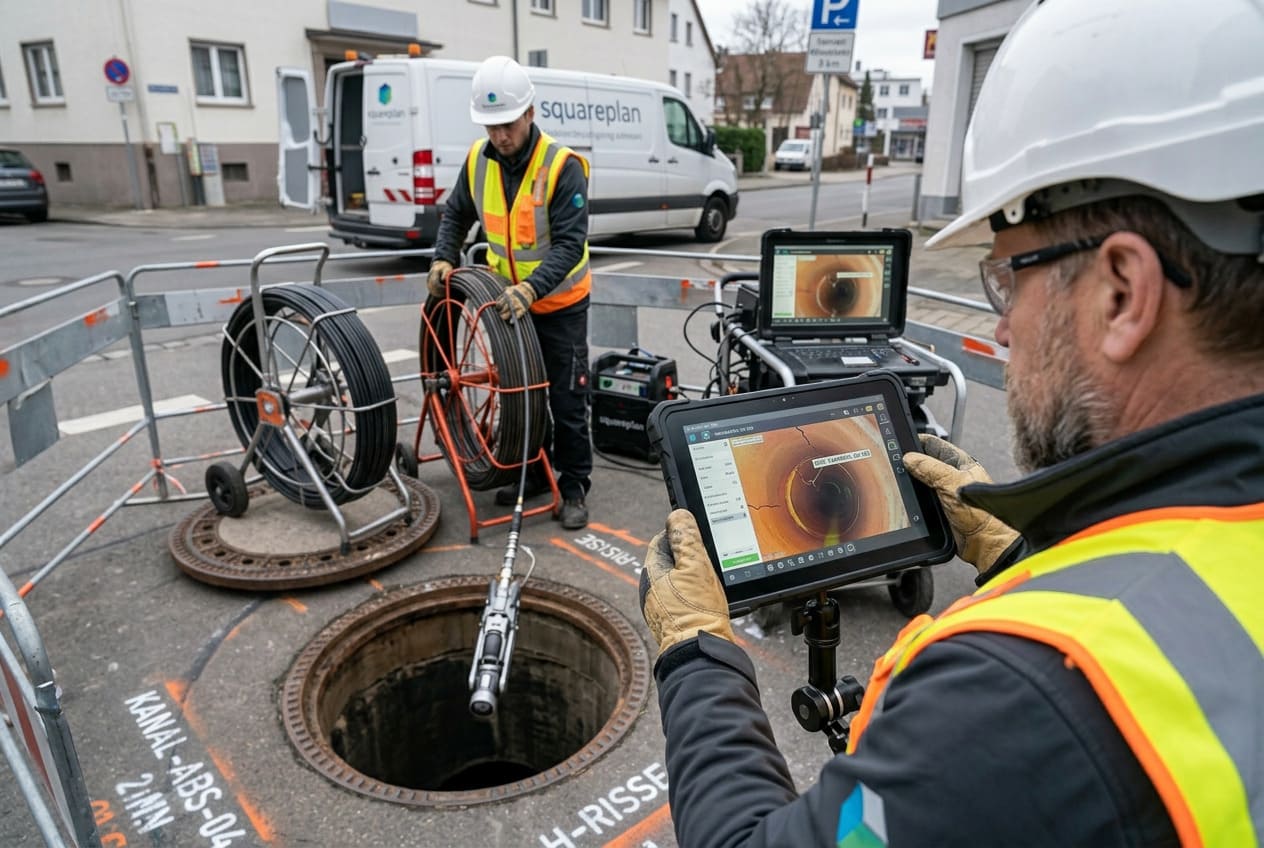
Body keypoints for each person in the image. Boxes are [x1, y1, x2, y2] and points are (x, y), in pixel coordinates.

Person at [638, 0, 1264, 845]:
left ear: (1122, 292)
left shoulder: (1011, 700)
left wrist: (695, 651)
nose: (1001, 329)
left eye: (1010, 280)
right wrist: (1021, 553)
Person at [428, 55, 593, 530]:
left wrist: (531, 289)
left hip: (558, 304)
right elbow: (456, 214)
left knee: (566, 398)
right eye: (492, 126)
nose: (500, 135)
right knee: (520, 396)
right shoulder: (478, 162)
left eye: (508, 124)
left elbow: (570, 244)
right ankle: (535, 473)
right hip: (508, 303)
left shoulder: (562, 166)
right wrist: (443, 256)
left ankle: (574, 485)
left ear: (530, 113)